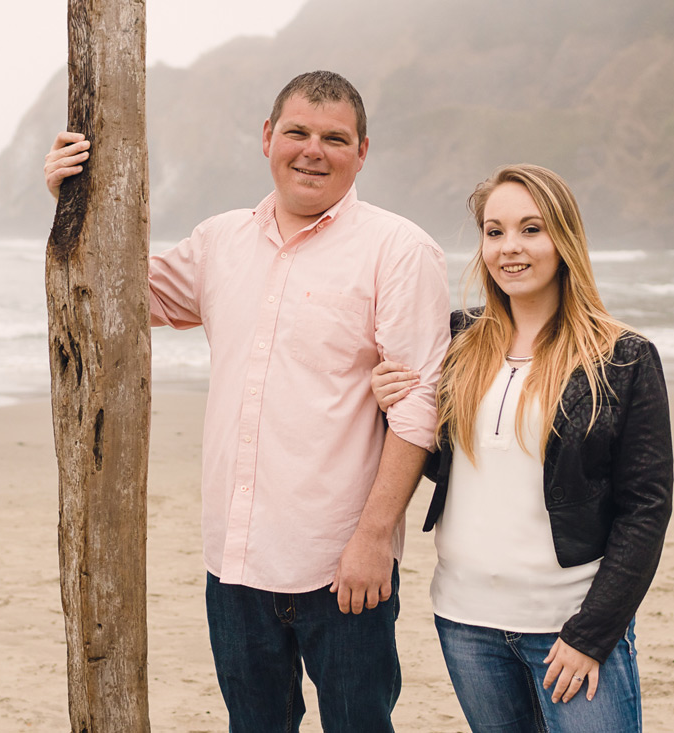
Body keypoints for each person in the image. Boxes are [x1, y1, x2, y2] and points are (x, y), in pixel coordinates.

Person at [44, 70, 450, 732]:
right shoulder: (218, 242)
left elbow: (417, 407)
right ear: (268, 137)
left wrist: (375, 538)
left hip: (342, 560)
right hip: (233, 561)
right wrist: (71, 197)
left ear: (362, 151)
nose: (312, 149)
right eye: (296, 132)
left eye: (334, 138)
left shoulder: (399, 250)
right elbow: (117, 287)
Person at [371, 164, 672, 732]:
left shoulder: (623, 357)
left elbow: (646, 509)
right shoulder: (457, 340)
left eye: (531, 229)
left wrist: (592, 633)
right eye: (494, 231)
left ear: (564, 238)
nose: (510, 247)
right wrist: (393, 403)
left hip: (569, 626)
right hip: (465, 623)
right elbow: (457, 466)